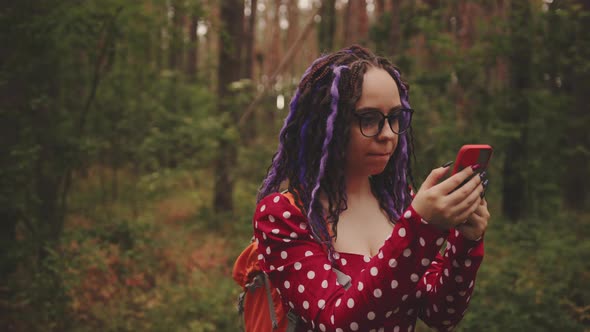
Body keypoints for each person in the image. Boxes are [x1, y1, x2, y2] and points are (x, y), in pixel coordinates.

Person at [252, 45, 490, 332]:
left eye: (395, 118)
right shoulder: (283, 214)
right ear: (327, 124)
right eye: (369, 119)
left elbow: (440, 313)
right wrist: (419, 228)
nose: (388, 134)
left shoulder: (399, 202)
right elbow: (338, 321)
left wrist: (465, 243)